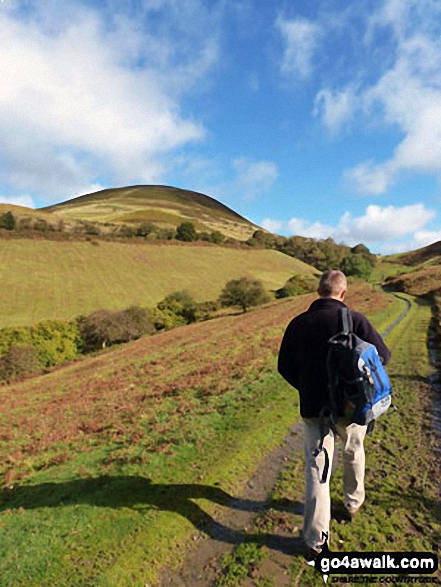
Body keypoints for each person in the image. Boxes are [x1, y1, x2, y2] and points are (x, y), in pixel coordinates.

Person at [277, 269, 391, 560]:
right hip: (350, 409)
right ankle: (352, 504)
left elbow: (284, 367)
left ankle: (316, 541)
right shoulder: (355, 320)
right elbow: (383, 357)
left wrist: (306, 388)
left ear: (318, 292)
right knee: (354, 452)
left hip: (314, 409)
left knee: (317, 470)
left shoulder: (298, 324)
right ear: (343, 293)